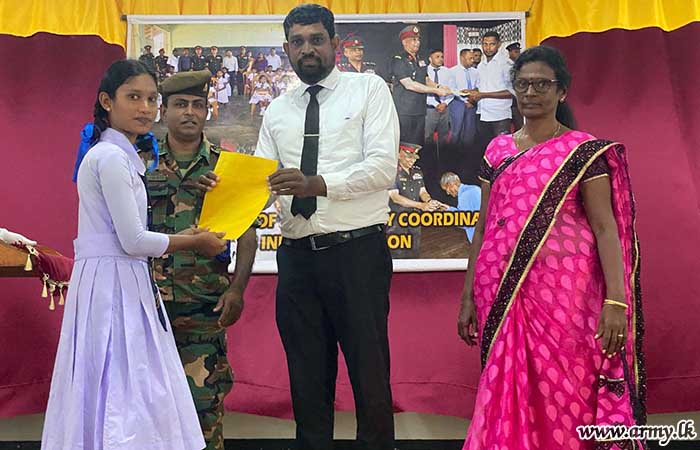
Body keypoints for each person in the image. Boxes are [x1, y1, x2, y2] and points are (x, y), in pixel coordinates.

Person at [201, 5, 399, 449]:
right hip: (297, 261)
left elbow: (383, 168)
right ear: (287, 48)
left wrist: (317, 184)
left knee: (370, 377)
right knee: (306, 382)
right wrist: (221, 193)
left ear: (334, 43)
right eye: (297, 42)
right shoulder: (278, 110)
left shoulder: (368, 90)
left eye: (316, 39)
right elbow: (263, 183)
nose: (307, 49)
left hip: (357, 255)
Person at [457, 46, 646, 450]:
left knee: (567, 384)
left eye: (542, 84)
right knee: (504, 383)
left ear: (562, 91)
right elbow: (484, 224)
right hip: (498, 288)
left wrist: (616, 300)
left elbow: (605, 227)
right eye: (523, 84)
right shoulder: (498, 150)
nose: (531, 92)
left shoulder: (582, 151)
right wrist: (468, 294)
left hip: (565, 296)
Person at [41, 59, 228, 450]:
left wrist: (183, 236)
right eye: (133, 98)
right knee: (124, 388)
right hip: (114, 284)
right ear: (107, 101)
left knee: (122, 387)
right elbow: (133, 240)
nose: (145, 108)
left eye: (151, 99)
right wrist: (193, 242)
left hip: (119, 278)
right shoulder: (110, 157)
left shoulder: (120, 155)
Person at [139, 70, 257, 450]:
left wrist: (237, 290)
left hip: (204, 309)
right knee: (146, 415)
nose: (189, 112)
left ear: (207, 111)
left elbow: (248, 234)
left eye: (197, 105)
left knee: (204, 415)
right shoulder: (141, 163)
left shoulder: (225, 167)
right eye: (180, 104)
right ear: (164, 111)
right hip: (147, 309)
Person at [389, 25, 451, 146]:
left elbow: (426, 79)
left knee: (418, 144)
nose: (417, 43)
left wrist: (439, 87)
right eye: (413, 40)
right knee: (405, 145)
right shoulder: (398, 60)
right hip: (405, 111)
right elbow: (409, 84)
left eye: (418, 40)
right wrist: (435, 91)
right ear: (404, 42)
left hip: (420, 110)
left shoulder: (420, 59)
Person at [388, 142, 446, 259]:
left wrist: (429, 201)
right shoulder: (392, 172)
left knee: (414, 250)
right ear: (398, 155)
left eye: (414, 158)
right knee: (397, 253)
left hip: (414, 218)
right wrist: (422, 206)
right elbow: (395, 197)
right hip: (397, 220)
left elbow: (422, 191)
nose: (412, 161)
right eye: (409, 157)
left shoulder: (417, 171)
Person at [466, 31, 515, 144]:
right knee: (484, 149)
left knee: (501, 149)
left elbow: (512, 92)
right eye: (485, 44)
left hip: (500, 116)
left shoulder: (506, 64)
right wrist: (471, 92)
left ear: (499, 44)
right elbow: (480, 88)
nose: (488, 48)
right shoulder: (481, 66)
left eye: (492, 44)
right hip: (482, 114)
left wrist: (483, 95)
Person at [447, 49, 479, 146]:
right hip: (457, 103)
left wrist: (471, 101)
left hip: (472, 104)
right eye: (470, 58)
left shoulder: (476, 72)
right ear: (461, 58)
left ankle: (467, 152)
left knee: (470, 132)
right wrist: (465, 101)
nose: (472, 60)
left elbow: (478, 87)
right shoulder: (452, 71)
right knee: (456, 131)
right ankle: (453, 151)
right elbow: (452, 89)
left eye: (473, 58)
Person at [439, 172, 480, 242]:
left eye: (446, 189)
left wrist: (449, 212)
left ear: (451, 184)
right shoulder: (475, 188)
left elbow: (464, 222)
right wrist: (449, 208)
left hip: (478, 239)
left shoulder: (464, 196)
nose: (447, 193)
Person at [424, 48, 451, 147]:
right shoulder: (424, 71)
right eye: (437, 57)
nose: (440, 59)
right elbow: (423, 90)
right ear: (430, 59)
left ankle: (443, 155)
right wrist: (436, 104)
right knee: (427, 136)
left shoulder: (447, 71)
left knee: (444, 136)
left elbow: (451, 89)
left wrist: (445, 103)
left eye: (442, 57)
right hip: (430, 109)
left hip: (445, 108)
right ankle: (428, 155)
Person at [505, 42, 524, 130]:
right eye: (516, 52)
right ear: (510, 52)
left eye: (518, 52)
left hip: (517, 99)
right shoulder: (505, 65)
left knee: (519, 125)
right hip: (509, 98)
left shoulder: (519, 65)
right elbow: (508, 84)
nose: (518, 54)